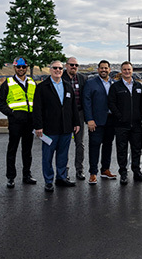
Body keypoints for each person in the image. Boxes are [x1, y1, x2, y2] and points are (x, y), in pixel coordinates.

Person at [33, 61, 81, 192]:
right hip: (49, 129)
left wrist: (76, 123)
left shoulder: (67, 86)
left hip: (66, 128)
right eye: (55, 68)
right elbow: (37, 108)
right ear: (50, 69)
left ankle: (61, 177)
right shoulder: (42, 87)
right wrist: (38, 126)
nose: (58, 70)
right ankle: (48, 181)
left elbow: (73, 107)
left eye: (60, 68)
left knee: (63, 155)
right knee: (47, 156)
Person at [0, 57, 37, 188]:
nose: (21, 69)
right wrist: (11, 114)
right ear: (14, 67)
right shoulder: (8, 83)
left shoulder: (32, 82)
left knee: (27, 150)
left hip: (29, 121)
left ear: (26, 67)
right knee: (12, 149)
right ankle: (11, 177)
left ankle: (27, 175)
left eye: (23, 67)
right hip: (15, 122)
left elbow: (37, 101)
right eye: (18, 67)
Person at [108, 61, 142, 184]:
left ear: (132, 70)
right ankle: (123, 173)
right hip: (121, 125)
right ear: (121, 71)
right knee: (122, 150)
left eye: (129, 69)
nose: (127, 72)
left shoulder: (139, 86)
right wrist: (119, 116)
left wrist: (140, 116)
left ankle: (137, 172)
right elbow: (111, 104)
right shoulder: (115, 87)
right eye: (124, 69)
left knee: (137, 149)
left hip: (136, 124)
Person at [83, 60, 116, 184]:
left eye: (106, 68)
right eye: (101, 68)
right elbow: (86, 102)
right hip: (96, 121)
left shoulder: (114, 83)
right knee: (94, 146)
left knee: (108, 146)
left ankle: (105, 170)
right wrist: (89, 119)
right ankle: (93, 173)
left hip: (111, 120)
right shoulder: (91, 83)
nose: (104, 70)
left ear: (109, 70)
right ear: (98, 70)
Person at [62, 57, 87, 180]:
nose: (74, 67)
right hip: (65, 115)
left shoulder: (82, 78)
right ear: (66, 65)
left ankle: (79, 170)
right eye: (71, 65)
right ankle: (63, 171)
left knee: (79, 143)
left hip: (79, 114)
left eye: (76, 65)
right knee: (64, 144)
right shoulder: (61, 78)